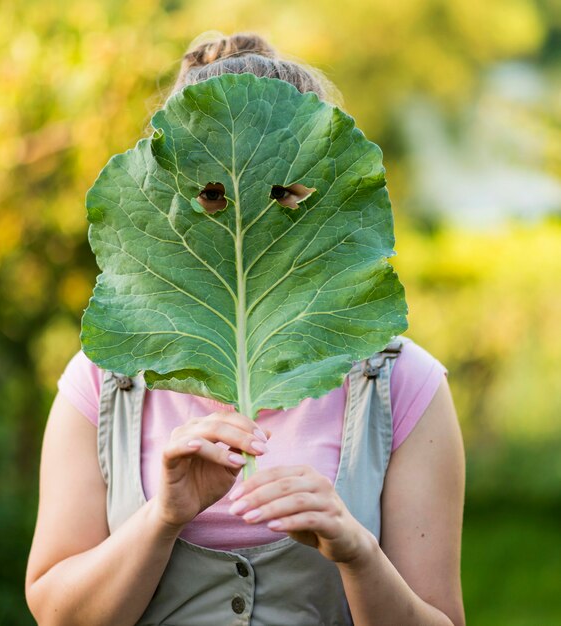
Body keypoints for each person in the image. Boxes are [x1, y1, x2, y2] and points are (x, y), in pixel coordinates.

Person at [25, 31, 466, 626]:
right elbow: (57, 614)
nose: (247, 224)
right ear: (166, 203)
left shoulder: (403, 384)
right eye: (211, 195)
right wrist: (163, 517)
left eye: (283, 195)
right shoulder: (103, 384)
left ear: (327, 200)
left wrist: (358, 554)